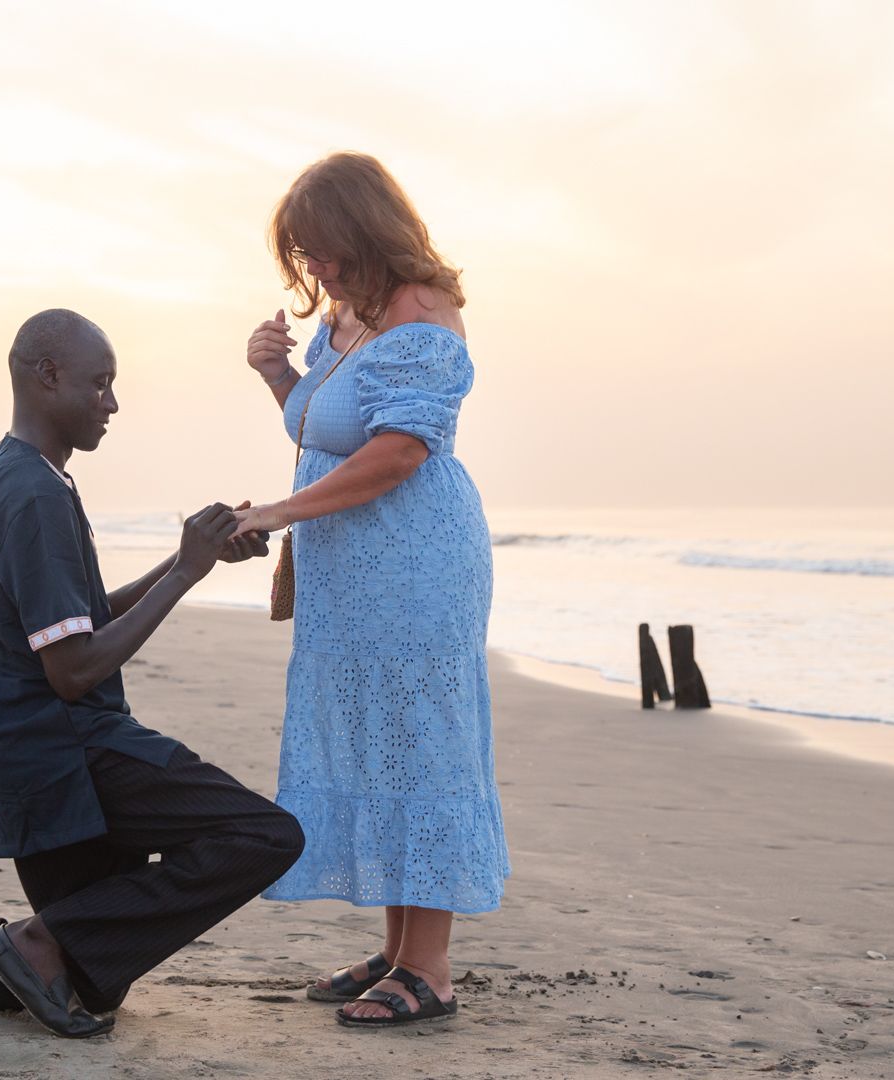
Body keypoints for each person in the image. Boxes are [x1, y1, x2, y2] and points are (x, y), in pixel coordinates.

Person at [0, 309, 301, 1038]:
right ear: (47, 376)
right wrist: (187, 573)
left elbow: (85, 619)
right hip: (62, 745)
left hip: (17, 753)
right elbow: (74, 671)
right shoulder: (34, 492)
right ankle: (34, 942)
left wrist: (188, 558)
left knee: (87, 973)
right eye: (99, 384)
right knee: (268, 836)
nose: (112, 403)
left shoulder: (20, 473)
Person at [233, 152, 508, 1027]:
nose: (312, 269)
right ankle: (397, 952)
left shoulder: (425, 315)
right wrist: (277, 373)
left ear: (363, 229)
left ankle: (431, 969)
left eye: (320, 249)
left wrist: (277, 510)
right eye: (302, 255)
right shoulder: (346, 318)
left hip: (414, 563)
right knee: (379, 740)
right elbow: (322, 423)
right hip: (350, 573)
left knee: (420, 745)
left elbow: (395, 454)